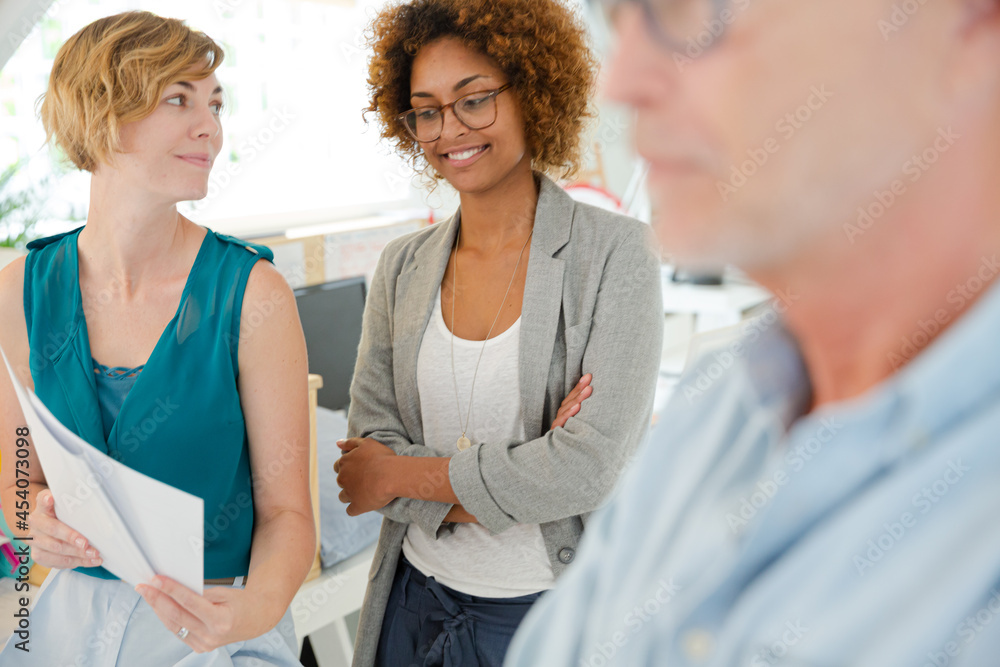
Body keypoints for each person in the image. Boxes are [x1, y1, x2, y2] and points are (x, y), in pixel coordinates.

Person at [505, 0, 1000, 665]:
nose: (620, 81)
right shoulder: (713, 419)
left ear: (976, 23)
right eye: (617, 14)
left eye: (687, 9)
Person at [333, 0, 664, 664]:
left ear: (533, 94)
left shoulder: (614, 255)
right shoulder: (402, 266)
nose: (449, 128)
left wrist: (401, 474)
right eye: (426, 109)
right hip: (413, 604)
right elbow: (366, 451)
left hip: (540, 613)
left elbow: (583, 471)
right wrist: (524, 471)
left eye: (474, 99)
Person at [0, 11, 313, 665]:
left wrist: (248, 616)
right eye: (179, 99)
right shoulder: (19, 290)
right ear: (102, 114)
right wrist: (33, 525)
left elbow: (287, 513)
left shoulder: (251, 293)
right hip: (65, 623)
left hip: (216, 622)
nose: (213, 128)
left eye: (215, 104)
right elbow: (17, 484)